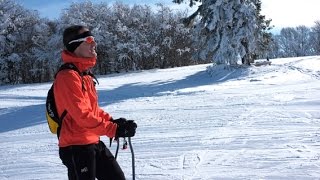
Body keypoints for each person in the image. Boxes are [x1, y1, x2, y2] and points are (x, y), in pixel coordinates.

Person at [54, 25, 137, 180]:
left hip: (92, 140)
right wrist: (112, 129)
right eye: (89, 39)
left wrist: (113, 122)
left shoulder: (84, 75)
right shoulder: (67, 77)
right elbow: (82, 116)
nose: (94, 43)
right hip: (75, 146)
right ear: (75, 45)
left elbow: (92, 110)